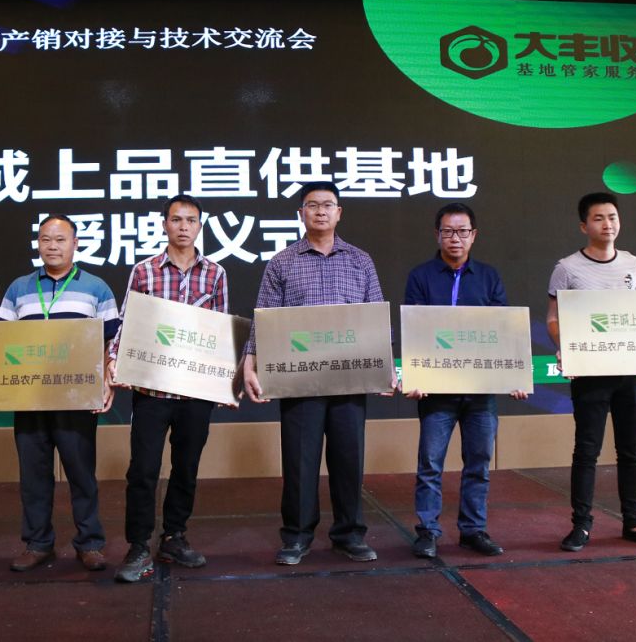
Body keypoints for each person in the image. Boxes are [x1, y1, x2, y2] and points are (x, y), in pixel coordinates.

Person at [243, 180, 394, 566]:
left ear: (339, 213)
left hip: (348, 378)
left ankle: (349, 534)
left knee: (348, 459)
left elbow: (376, 317)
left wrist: (386, 366)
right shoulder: (282, 262)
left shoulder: (360, 261)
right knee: (299, 460)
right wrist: (250, 361)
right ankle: (296, 536)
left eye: (328, 205)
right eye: (312, 205)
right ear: (301, 213)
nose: (321, 211)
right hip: (299, 379)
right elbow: (265, 319)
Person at [0, 214, 118, 572]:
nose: (52, 246)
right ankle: (38, 543)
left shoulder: (97, 288)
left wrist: (107, 380)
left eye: (60, 239)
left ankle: (90, 544)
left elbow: (113, 341)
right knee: (33, 476)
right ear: (37, 244)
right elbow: (0, 343)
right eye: (46, 239)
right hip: (29, 397)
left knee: (81, 474)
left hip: (77, 398)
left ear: (75, 244)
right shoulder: (19, 288)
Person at [106, 195, 230, 583]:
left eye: (190, 220)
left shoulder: (216, 273)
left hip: (195, 392)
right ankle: (138, 545)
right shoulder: (144, 271)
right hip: (151, 390)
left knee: (186, 468)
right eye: (176, 219)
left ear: (199, 227)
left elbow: (221, 331)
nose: (183, 226)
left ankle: (175, 536)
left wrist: (226, 383)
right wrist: (114, 360)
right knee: (142, 470)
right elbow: (127, 322)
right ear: (164, 225)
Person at [546, 192, 636, 552]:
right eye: (598, 218)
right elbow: (552, 319)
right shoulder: (567, 268)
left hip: (631, 372)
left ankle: (634, 522)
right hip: (590, 373)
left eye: (612, 217)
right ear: (583, 226)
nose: (607, 224)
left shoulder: (634, 265)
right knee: (586, 451)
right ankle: (581, 525)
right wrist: (569, 345)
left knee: (631, 450)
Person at [402, 203, 527, 559]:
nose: (454, 238)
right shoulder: (421, 276)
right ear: (437, 235)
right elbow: (415, 331)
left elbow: (503, 331)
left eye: (462, 231)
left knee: (479, 463)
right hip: (436, 392)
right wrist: (415, 376)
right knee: (430, 465)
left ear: (473, 235)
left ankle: (473, 530)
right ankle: (428, 532)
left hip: (480, 392)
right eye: (447, 231)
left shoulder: (489, 277)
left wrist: (514, 376)